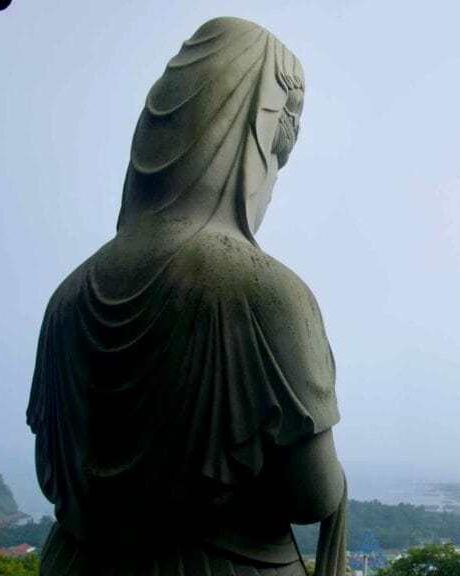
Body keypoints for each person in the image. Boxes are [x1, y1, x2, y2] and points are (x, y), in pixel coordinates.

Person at [26, 17, 346, 576]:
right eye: (277, 153)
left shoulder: (68, 295)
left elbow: (52, 475)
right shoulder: (267, 290)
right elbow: (310, 496)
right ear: (251, 145)